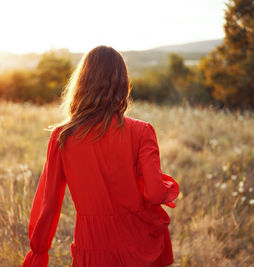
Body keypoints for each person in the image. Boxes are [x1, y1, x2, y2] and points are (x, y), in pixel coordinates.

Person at [22, 46, 180, 267]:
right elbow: (155, 194)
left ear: (82, 83)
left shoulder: (63, 136)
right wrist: (169, 187)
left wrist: (38, 252)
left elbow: (48, 204)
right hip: (139, 242)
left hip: (93, 246)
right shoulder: (142, 131)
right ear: (123, 84)